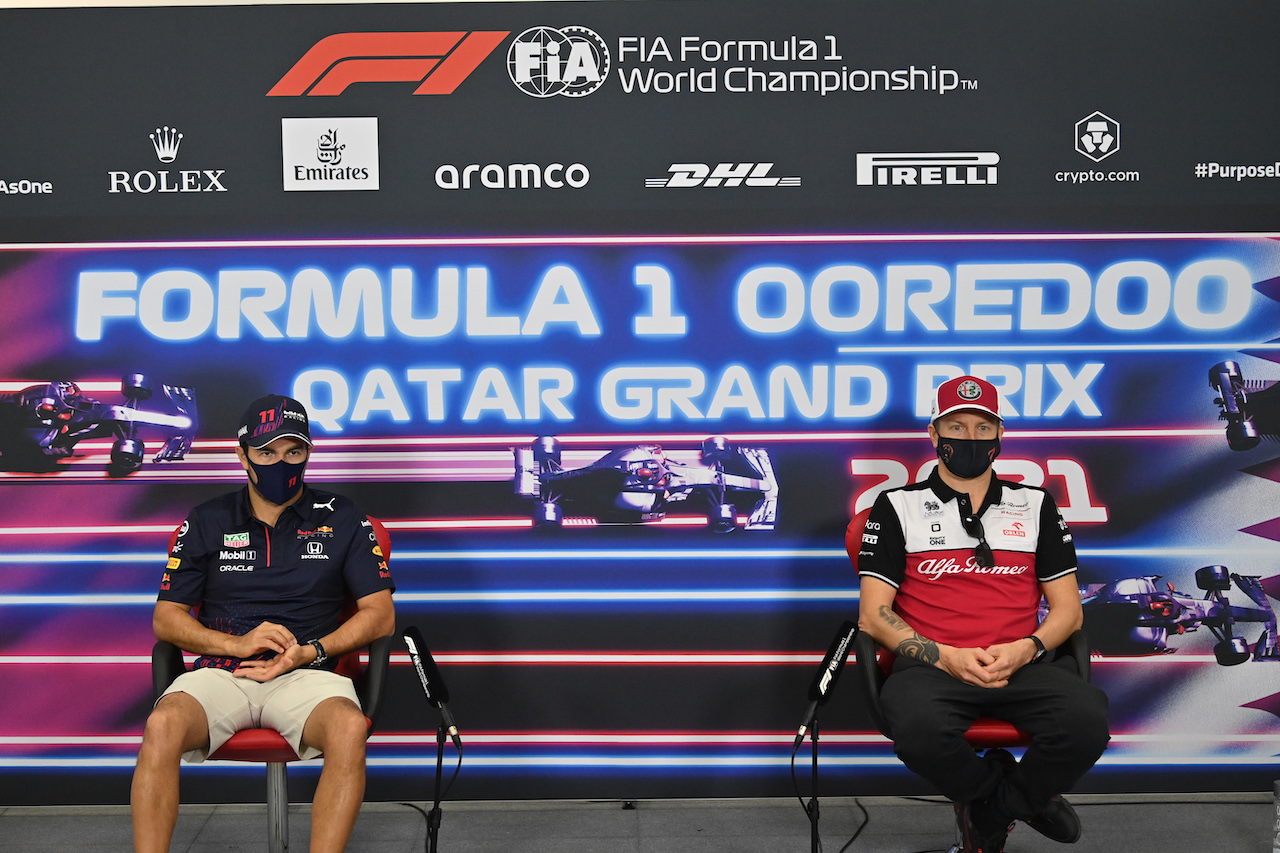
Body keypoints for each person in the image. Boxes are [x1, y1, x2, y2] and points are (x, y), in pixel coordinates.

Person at [854, 376, 1109, 853]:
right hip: (933, 664)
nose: (969, 438)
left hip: (1022, 661)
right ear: (934, 434)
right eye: (956, 426)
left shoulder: (1035, 504)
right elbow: (872, 616)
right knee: (915, 730)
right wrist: (945, 658)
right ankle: (1001, 794)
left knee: (1087, 723)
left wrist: (1027, 648)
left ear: (999, 435)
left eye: (982, 428)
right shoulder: (895, 506)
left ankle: (992, 810)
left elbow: (1069, 609)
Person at [131, 394, 396, 853]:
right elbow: (166, 620)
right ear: (242, 454)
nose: (281, 463)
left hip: (308, 672)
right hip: (221, 672)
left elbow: (380, 614)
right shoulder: (207, 520)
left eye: (293, 452)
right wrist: (236, 645)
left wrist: (310, 651)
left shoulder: (345, 518)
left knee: (350, 727)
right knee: (161, 726)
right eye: (267, 452)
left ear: (309, 451)